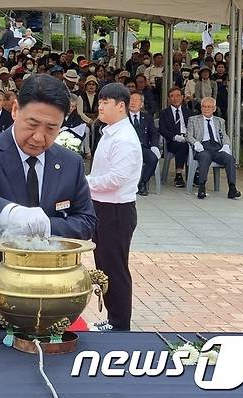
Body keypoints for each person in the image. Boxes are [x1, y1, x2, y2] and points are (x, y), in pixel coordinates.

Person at [0, 74, 96, 330]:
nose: (38, 137)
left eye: (51, 128)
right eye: (32, 124)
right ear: (15, 110)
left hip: (44, 295)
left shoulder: (70, 163)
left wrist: (47, 227)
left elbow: (87, 221)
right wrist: (12, 213)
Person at [87, 83, 142, 332]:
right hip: (102, 207)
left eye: (105, 102)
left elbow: (115, 179)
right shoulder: (109, 132)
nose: (100, 106)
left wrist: (83, 183)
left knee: (115, 268)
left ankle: (120, 324)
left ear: (121, 106)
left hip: (117, 211)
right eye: (99, 101)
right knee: (104, 265)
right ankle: (113, 318)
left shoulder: (125, 139)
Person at [186, 97, 241, 200]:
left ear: (214, 109)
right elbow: (188, 135)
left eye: (209, 107)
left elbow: (224, 135)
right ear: (201, 108)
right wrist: (196, 143)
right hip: (202, 147)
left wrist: (226, 145)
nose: (206, 109)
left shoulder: (219, 121)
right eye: (204, 106)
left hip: (216, 148)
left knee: (229, 158)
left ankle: (232, 188)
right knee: (205, 157)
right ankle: (201, 187)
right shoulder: (193, 120)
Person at [128, 91, 160, 196]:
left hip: (142, 147)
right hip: (126, 148)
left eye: (136, 100)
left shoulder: (147, 117)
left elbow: (154, 133)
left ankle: (143, 182)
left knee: (153, 159)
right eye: (131, 100)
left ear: (141, 104)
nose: (133, 103)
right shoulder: (122, 117)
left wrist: (155, 146)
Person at [158, 87, 191, 188]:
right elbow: (162, 130)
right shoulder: (164, 113)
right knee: (182, 146)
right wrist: (175, 137)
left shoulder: (188, 112)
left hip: (188, 138)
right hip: (173, 141)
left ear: (182, 97)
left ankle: (197, 173)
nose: (175, 98)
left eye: (178, 96)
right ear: (168, 99)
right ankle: (179, 174)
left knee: (197, 146)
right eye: (172, 96)